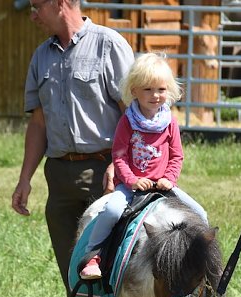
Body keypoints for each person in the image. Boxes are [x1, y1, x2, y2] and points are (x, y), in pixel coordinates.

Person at [11, 0, 134, 297]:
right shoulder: (41, 57)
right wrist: (25, 178)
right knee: (73, 272)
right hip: (59, 176)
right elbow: (38, 122)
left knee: (111, 268)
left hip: (105, 175)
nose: (32, 15)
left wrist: (117, 162)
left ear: (59, 2)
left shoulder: (109, 45)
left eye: (36, 6)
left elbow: (132, 112)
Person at [79, 52, 208, 280]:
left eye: (161, 89)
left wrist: (169, 179)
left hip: (163, 186)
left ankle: (202, 259)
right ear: (134, 91)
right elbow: (119, 157)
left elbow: (177, 156)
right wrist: (132, 181)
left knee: (200, 213)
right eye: (148, 89)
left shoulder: (170, 122)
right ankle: (94, 255)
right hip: (131, 187)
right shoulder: (127, 122)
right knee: (111, 211)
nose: (155, 95)